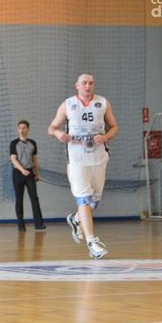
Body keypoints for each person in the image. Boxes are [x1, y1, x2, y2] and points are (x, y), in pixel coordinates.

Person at [48, 73, 118, 259]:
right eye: (84, 83)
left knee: (95, 200)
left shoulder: (102, 103)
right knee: (84, 199)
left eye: (91, 83)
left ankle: (76, 219)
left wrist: (105, 137)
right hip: (77, 159)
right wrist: (58, 134)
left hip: (98, 157)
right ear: (77, 85)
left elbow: (114, 127)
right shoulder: (68, 104)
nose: (88, 86)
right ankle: (91, 243)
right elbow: (52, 128)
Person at [10, 120, 46, 232]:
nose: (22, 130)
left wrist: (37, 173)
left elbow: (34, 160)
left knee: (34, 198)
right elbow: (13, 159)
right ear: (18, 130)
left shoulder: (32, 143)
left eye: (24, 127)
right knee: (19, 199)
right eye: (20, 128)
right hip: (18, 174)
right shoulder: (14, 143)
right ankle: (21, 225)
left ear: (28, 129)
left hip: (30, 174)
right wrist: (22, 170)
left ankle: (38, 224)